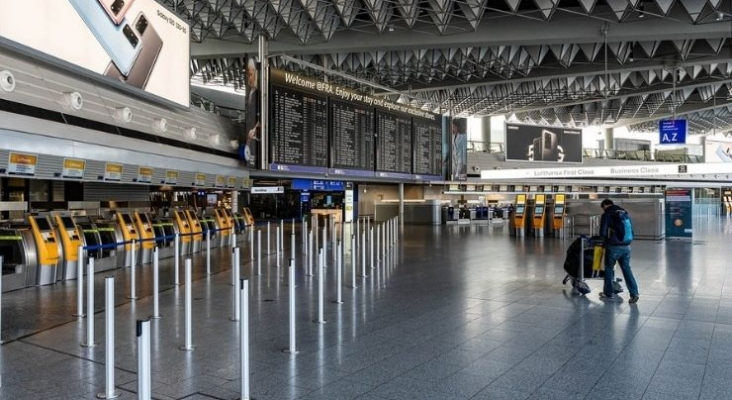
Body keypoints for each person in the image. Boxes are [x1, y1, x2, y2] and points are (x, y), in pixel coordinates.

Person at [599, 199, 640, 304]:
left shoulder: (607, 214)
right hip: (626, 246)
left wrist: (604, 241)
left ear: (605, 205)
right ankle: (634, 293)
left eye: (603, 208)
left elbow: (603, 232)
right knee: (627, 269)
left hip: (614, 247)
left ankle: (608, 293)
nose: (603, 210)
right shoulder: (624, 213)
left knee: (608, 269)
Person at [240, 57, 260, 167]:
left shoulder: (259, 92)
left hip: (254, 137)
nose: (249, 78)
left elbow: (263, 117)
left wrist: (254, 129)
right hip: (249, 134)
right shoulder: (250, 92)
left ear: (256, 74)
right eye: (248, 75)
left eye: (251, 75)